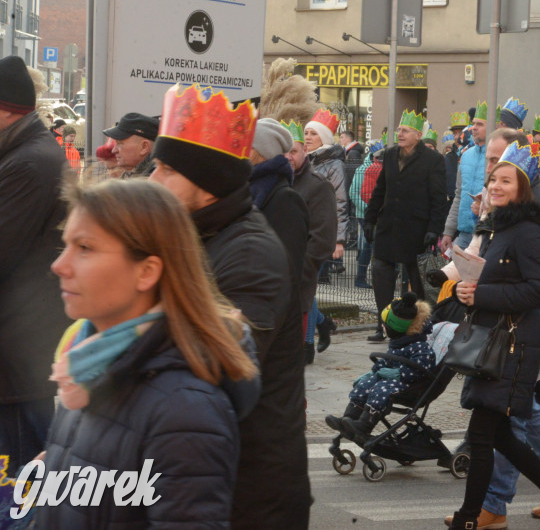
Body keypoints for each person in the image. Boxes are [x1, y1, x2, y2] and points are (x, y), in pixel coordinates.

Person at [37, 179, 260, 527]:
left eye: (85, 248)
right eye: (65, 245)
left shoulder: (183, 410)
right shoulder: (85, 367)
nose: (59, 265)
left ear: (146, 272)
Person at [149, 84, 309, 528]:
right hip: (207, 474)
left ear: (207, 185)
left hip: (251, 488)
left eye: (166, 170)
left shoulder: (250, 252)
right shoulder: (194, 234)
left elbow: (218, 370)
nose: (152, 181)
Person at [446, 142, 540, 530]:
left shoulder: (528, 231)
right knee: (502, 437)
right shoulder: (497, 226)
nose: (496, 186)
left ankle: (469, 517)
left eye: (506, 180)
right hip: (495, 342)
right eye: (494, 179)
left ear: (523, 188)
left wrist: (482, 295)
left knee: (482, 435)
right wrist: (464, 290)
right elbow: (492, 281)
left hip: (512, 346)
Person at [0, 55, 68, 472]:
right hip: (19, 345)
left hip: (18, 349)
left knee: (23, 476)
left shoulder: (29, 162)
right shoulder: (23, 154)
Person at [365, 110, 448, 342]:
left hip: (416, 229)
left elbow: (438, 198)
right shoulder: (390, 155)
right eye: (399, 130)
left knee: (417, 281)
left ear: (418, 135)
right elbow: (380, 189)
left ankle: (417, 326)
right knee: (381, 274)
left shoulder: (433, 159)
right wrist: (370, 219)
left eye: (405, 131)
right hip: (389, 226)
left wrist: (434, 228)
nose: (400, 134)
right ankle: (384, 324)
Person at [326, 292, 435, 443]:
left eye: (385, 325)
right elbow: (387, 361)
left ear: (396, 328)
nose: (382, 327)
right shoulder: (399, 341)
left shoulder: (420, 346)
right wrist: (373, 372)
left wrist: (398, 373)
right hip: (393, 379)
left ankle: (364, 425)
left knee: (380, 389)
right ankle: (348, 419)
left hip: (409, 384)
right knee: (365, 384)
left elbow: (422, 368)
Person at [250, 118, 312, 356]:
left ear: (260, 152)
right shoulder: (247, 188)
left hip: (270, 322)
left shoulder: (285, 199)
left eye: (247, 145)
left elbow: (287, 270)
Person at [282, 119, 338, 361]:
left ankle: (308, 342)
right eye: (283, 152)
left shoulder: (318, 186)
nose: (288, 157)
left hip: (298, 276)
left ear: (304, 151)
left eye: (293, 151)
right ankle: (322, 325)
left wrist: (301, 270)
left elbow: (322, 239)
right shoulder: (275, 182)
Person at [305, 109, 348, 346]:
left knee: (307, 288)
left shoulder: (334, 165)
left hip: (321, 233)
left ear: (324, 137)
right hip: (302, 231)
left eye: (314, 133)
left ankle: (307, 345)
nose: (308, 137)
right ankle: (322, 322)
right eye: (306, 133)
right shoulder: (304, 159)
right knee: (304, 287)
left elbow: (340, 203)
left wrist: (339, 240)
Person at [442, 103, 490, 252]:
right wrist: (448, 231)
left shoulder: (497, 156)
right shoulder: (466, 155)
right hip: (464, 234)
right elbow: (459, 195)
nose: (473, 128)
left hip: (487, 234)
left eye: (479, 124)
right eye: (473, 123)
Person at [348, 140, 384, 290]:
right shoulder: (362, 169)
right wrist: (368, 209)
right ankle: (362, 278)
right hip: (364, 214)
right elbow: (353, 193)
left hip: (374, 213)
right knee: (370, 246)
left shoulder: (380, 168)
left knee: (370, 245)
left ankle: (363, 278)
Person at [103, 111, 159, 178]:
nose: (114, 150)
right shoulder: (145, 175)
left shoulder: (155, 179)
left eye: (120, 143)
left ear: (144, 147)